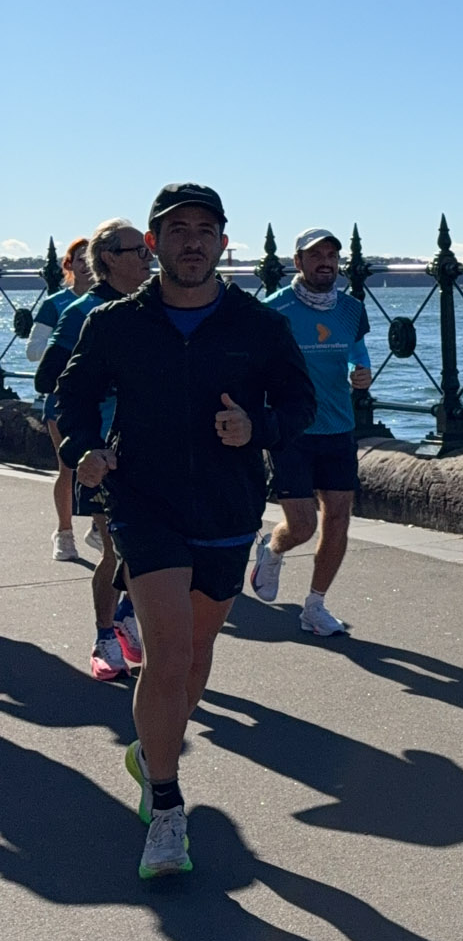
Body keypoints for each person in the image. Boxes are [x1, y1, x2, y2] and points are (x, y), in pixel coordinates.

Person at [57, 183, 316, 880]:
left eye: (204, 230)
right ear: (153, 244)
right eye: (177, 230)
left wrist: (256, 428)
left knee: (196, 654)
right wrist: (83, 448)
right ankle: (168, 808)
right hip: (145, 502)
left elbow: (300, 403)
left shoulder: (258, 325)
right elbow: (71, 395)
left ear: (223, 243)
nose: (192, 241)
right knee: (167, 654)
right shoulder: (115, 323)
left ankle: (151, 753)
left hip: (228, 508)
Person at [37, 220, 154, 679]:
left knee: (153, 546)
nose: (148, 258)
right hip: (101, 452)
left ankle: (126, 613)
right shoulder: (82, 312)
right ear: (109, 258)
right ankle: (105, 635)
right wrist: (104, 378)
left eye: (148, 249)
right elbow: (48, 379)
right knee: (115, 547)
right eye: (138, 251)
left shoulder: (150, 307)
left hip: (147, 447)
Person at [252, 225, 372, 635]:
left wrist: (361, 371)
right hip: (291, 428)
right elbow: (253, 365)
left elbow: (357, 351)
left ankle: (315, 606)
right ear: (298, 261)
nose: (325, 263)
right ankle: (273, 547)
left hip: (338, 425)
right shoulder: (273, 310)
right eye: (316, 255)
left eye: (331, 256)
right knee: (302, 526)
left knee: (338, 517)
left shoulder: (351, 308)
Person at [30, 235, 92, 562]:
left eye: (92, 258)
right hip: (62, 397)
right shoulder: (55, 305)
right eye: (80, 259)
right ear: (69, 264)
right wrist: (68, 348)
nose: (87, 264)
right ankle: (64, 533)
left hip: (104, 398)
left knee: (112, 463)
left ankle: (100, 527)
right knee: (68, 465)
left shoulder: (114, 301)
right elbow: (33, 352)